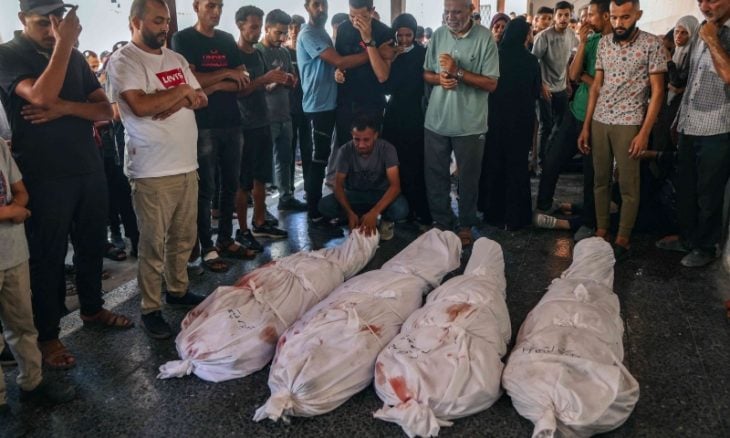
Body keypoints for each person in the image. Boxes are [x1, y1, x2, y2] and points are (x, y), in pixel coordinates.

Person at [0, 0, 133, 368]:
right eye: (43, 23)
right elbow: (40, 96)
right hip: (43, 173)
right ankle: (47, 335)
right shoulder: (9, 54)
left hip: (87, 165)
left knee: (91, 244)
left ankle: (92, 308)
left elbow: (105, 110)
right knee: (48, 257)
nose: (53, 29)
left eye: (58, 21)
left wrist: (64, 108)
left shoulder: (72, 56)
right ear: (22, 19)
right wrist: (64, 44)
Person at [108, 0, 208, 339]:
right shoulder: (125, 60)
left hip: (186, 163)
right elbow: (140, 105)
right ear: (135, 22)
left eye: (166, 20)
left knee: (183, 237)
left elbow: (201, 98)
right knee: (153, 246)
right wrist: (181, 92)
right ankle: (150, 308)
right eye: (156, 21)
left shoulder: (175, 59)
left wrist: (174, 98)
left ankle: (177, 290)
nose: (165, 27)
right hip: (152, 169)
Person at [578, 0, 667, 261]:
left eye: (625, 17)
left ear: (638, 14)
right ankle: (602, 229)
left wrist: (644, 132)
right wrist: (586, 125)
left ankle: (623, 237)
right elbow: (596, 86)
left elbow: (658, 92)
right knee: (600, 180)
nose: (619, 23)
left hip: (630, 122)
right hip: (600, 119)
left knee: (629, 184)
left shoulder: (652, 44)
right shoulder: (604, 43)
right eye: (615, 17)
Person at [171, 0, 254, 273]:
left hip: (232, 121)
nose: (216, 12)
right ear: (196, 6)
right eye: (210, 6)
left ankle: (226, 239)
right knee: (206, 189)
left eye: (219, 6)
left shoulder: (227, 39)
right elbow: (189, 81)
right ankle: (207, 246)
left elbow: (243, 80)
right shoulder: (183, 39)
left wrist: (213, 84)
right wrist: (225, 75)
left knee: (231, 184)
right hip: (203, 124)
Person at [0, 138, 76, 435]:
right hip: (10, 233)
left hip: (13, 252)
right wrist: (9, 213)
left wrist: (16, 207)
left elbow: (20, 191)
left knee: (22, 324)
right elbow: (15, 207)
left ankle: (32, 382)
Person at [297, 0, 382, 230]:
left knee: (334, 156)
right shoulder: (308, 34)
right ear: (307, 7)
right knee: (318, 160)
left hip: (333, 104)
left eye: (324, 4)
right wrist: (374, 53)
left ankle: (340, 206)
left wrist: (339, 73)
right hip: (318, 107)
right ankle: (314, 212)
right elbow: (339, 60)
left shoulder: (323, 33)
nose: (321, 9)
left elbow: (337, 67)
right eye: (316, 4)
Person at [659, 0, 730, 267]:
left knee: (708, 192)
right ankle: (688, 239)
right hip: (690, 123)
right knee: (686, 186)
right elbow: (691, 80)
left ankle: (706, 247)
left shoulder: (712, 33)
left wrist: (712, 39)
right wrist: (680, 118)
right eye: (700, 1)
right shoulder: (703, 28)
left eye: (711, 0)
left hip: (718, 127)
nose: (704, 6)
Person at [423, 0, 499, 246]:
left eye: (456, 12)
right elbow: (426, 73)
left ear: (471, 10)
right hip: (437, 120)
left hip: (470, 124)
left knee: (468, 178)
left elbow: (491, 83)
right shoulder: (438, 35)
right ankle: (441, 221)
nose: (450, 17)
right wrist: (440, 79)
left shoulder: (484, 38)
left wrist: (458, 72)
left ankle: (466, 224)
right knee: (436, 175)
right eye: (446, 12)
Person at [536, 0, 612, 240]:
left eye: (591, 15)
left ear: (606, 16)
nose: (586, 19)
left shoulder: (615, 43)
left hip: (601, 117)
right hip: (576, 111)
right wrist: (583, 44)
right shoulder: (590, 40)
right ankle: (544, 205)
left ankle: (589, 221)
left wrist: (589, 80)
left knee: (592, 173)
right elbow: (573, 73)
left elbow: (608, 84)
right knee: (552, 159)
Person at [233, 5, 292, 252]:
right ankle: (242, 230)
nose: (256, 32)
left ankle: (259, 222)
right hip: (243, 125)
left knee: (261, 178)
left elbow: (263, 84)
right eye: (253, 27)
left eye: (259, 27)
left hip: (263, 121)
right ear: (240, 25)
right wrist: (265, 80)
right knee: (243, 182)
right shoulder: (235, 55)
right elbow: (239, 90)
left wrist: (278, 80)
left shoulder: (257, 55)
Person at [479, 17, 541, 231]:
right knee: (517, 166)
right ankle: (517, 217)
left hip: (495, 119)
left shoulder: (495, 56)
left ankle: (493, 213)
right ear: (524, 35)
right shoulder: (531, 61)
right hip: (521, 121)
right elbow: (535, 92)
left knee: (494, 163)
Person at [318, 115, 408, 240]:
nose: (361, 145)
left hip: (379, 194)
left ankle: (382, 220)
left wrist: (374, 212)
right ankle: (356, 218)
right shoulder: (344, 151)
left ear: (375, 136)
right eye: (357, 139)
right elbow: (338, 185)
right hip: (354, 195)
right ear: (352, 135)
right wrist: (349, 213)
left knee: (401, 209)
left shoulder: (387, 149)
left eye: (366, 140)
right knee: (325, 205)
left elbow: (395, 186)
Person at [381, 13, 431, 228]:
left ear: (414, 34)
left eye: (408, 35)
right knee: (394, 163)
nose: (403, 40)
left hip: (415, 115)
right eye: (399, 35)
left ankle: (418, 209)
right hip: (394, 115)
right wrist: (391, 59)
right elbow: (386, 87)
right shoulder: (390, 53)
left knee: (415, 163)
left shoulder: (423, 53)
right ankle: (398, 209)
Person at [256, 9, 306, 213]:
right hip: (264, 116)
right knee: (263, 166)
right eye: (278, 32)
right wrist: (274, 81)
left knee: (285, 160)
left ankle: (286, 197)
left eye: (285, 33)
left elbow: (291, 77)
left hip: (285, 113)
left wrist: (290, 80)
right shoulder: (258, 52)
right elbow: (254, 86)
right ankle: (261, 210)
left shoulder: (284, 52)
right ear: (266, 28)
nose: (282, 37)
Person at [333, 0, 395, 163]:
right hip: (346, 102)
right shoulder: (343, 29)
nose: (356, 22)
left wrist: (369, 41)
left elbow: (382, 75)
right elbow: (340, 62)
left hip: (371, 103)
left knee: (370, 156)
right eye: (352, 16)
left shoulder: (384, 32)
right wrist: (338, 72)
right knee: (345, 155)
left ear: (371, 11)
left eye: (361, 17)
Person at [532, 1, 579, 169]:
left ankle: (552, 158)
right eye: (560, 15)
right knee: (545, 126)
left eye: (567, 15)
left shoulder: (571, 35)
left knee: (562, 124)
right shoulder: (544, 36)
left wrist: (567, 82)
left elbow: (566, 60)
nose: (564, 18)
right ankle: (541, 164)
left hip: (561, 88)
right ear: (555, 17)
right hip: (545, 88)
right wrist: (541, 85)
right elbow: (534, 62)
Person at [287, 14, 311, 199]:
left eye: (298, 27)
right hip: (288, 108)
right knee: (288, 151)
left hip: (307, 105)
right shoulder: (284, 52)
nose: (294, 31)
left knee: (307, 149)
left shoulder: (307, 50)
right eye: (291, 27)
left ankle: (310, 187)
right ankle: (288, 192)